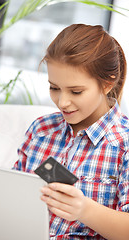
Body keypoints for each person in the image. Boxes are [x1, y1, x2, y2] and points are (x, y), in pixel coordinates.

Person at [13, 24, 129, 239]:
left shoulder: (124, 144)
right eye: (54, 88)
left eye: (76, 91)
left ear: (106, 83)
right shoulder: (41, 130)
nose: (62, 102)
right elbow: (12, 194)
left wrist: (85, 210)